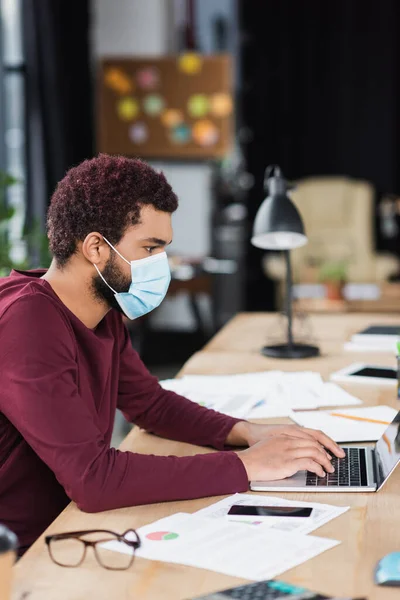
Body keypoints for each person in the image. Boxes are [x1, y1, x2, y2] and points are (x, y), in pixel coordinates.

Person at [0, 155, 344, 555]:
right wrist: (248, 465)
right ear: (96, 247)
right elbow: (94, 480)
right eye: (150, 247)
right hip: (23, 557)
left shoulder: (100, 308)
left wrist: (248, 432)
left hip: (71, 530)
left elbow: (150, 404)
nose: (163, 264)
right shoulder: (26, 324)